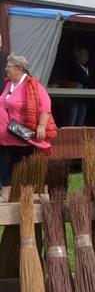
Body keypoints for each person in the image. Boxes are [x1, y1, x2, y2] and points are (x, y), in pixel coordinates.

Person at [0, 54, 57, 200]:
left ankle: (39, 193)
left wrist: (41, 126)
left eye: (9, 66)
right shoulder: (9, 85)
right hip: (8, 133)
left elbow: (46, 107)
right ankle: (7, 193)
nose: (5, 69)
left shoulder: (33, 85)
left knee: (29, 163)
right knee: (6, 161)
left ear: (19, 68)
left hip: (24, 132)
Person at [66, 47, 91, 127]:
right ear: (78, 55)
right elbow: (83, 80)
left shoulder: (87, 67)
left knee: (80, 123)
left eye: (87, 54)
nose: (87, 55)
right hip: (74, 98)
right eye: (84, 53)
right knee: (72, 123)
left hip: (83, 99)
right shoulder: (74, 66)